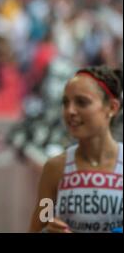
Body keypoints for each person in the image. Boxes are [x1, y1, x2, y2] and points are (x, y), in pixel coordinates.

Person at [29, 65, 123, 233]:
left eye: (82, 102)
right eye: (65, 103)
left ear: (112, 107)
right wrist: (47, 230)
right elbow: (41, 224)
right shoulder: (54, 168)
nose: (70, 111)